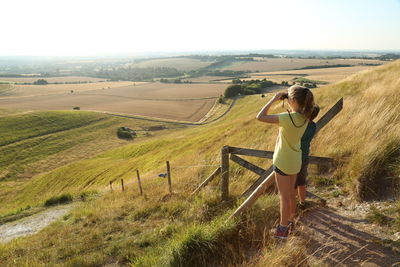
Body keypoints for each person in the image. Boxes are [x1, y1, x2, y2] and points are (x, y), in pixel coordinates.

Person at [256, 85, 316, 239]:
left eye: (289, 97)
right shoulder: (306, 117)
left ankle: (282, 230)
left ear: (294, 100)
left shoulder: (285, 118)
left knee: (284, 197)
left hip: (283, 161)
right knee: (291, 194)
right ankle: (291, 222)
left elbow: (260, 116)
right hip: (296, 161)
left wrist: (274, 99)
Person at [296, 105, 320, 209]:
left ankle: (293, 205)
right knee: (301, 183)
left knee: (293, 184)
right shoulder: (313, 126)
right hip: (304, 157)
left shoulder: (301, 126)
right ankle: (302, 203)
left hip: (295, 156)